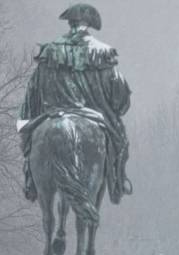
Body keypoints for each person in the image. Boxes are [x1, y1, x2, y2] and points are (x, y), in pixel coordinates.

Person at [19, 3, 132, 204]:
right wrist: (117, 108)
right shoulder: (103, 52)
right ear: (89, 24)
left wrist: (27, 117)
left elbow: (33, 89)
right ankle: (118, 182)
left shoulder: (49, 50)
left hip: (52, 112)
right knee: (121, 140)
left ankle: (30, 180)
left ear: (70, 23)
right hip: (93, 114)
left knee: (29, 140)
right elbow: (119, 94)